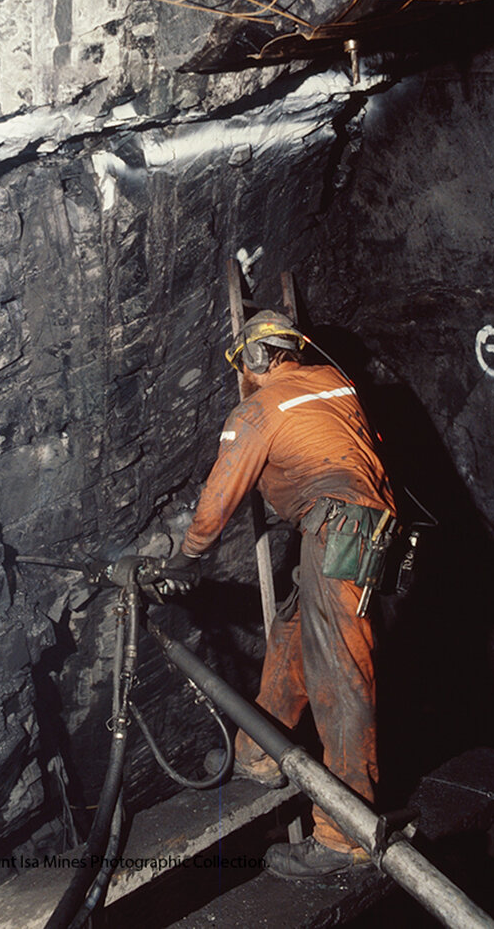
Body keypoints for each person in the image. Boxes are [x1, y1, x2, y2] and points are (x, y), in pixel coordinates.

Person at [157, 310, 395, 879]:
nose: (243, 377)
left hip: (339, 527)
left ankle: (345, 836)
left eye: (243, 366)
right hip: (366, 527)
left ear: (255, 359)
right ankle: (260, 754)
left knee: (340, 675)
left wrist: (187, 557)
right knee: (291, 634)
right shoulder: (333, 382)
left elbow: (219, 498)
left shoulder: (258, 409)